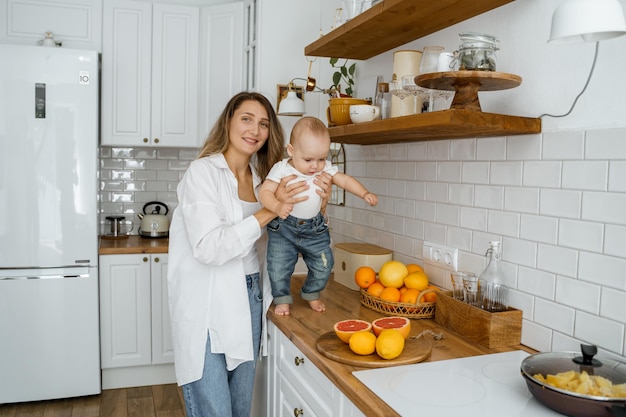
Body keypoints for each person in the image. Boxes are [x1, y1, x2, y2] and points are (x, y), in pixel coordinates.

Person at [167, 92, 332, 417]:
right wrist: (272, 211)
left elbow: (285, 244)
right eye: (246, 119)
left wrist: (316, 211)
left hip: (250, 298)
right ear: (228, 121)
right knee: (214, 410)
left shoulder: (263, 182)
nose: (254, 129)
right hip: (208, 304)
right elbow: (209, 247)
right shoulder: (202, 173)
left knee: (240, 410)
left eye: (263, 124)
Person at [259, 116, 378, 316]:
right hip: (283, 228)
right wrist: (278, 206)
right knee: (278, 266)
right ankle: (282, 299)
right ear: (291, 151)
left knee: (325, 265)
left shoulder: (326, 169)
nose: (315, 166)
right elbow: (265, 192)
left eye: (322, 159)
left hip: (314, 230)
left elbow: (346, 181)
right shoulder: (282, 168)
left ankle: (311, 292)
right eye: (308, 160)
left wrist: (364, 193)